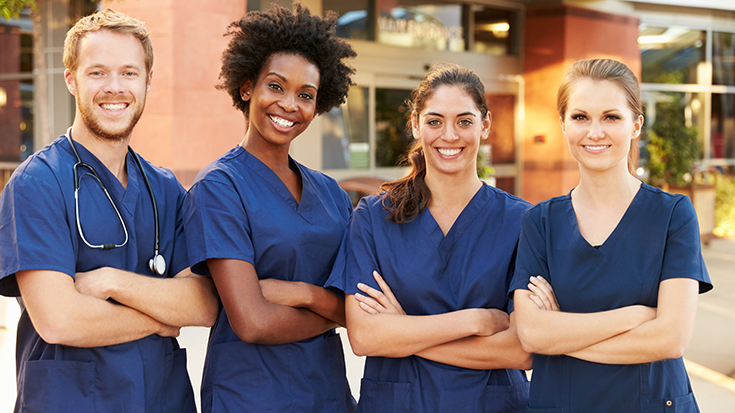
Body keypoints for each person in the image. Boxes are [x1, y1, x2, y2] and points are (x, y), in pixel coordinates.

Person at [0, 9, 219, 413]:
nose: (114, 88)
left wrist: (110, 281)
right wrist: (159, 320)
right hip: (70, 402)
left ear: (148, 81)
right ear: (71, 79)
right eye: (97, 72)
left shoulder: (165, 189)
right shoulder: (38, 184)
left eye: (129, 73)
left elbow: (203, 305)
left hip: (162, 401)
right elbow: (59, 319)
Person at [326, 63, 532, 412]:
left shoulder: (522, 221)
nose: (449, 135)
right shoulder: (374, 218)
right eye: (434, 121)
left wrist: (402, 332)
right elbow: (363, 337)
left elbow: (520, 350)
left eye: (464, 121)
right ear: (415, 125)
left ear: (485, 126)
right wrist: (473, 321)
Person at [509, 58, 712, 413]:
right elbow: (530, 334)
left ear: (636, 125)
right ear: (563, 125)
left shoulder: (672, 215)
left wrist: (560, 335)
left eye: (611, 117)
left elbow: (670, 338)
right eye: (580, 116)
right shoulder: (539, 222)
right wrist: (634, 316)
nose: (595, 131)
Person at [181, 4, 357, 412]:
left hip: (327, 394)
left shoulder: (330, 194)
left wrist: (301, 293)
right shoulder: (219, 188)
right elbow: (253, 322)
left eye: (306, 95)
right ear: (247, 88)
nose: (290, 104)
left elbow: (354, 310)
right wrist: (332, 312)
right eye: (275, 86)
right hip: (250, 395)